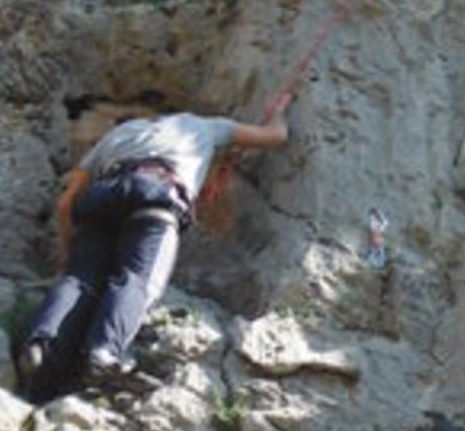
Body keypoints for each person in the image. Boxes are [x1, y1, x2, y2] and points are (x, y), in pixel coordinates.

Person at [18, 94, 294, 401]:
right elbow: (275, 136)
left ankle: (40, 345)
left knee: (78, 279)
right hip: (155, 194)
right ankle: (104, 353)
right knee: (137, 278)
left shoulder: (120, 134)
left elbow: (66, 201)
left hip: (103, 194)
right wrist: (278, 112)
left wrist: (68, 251)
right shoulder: (203, 127)